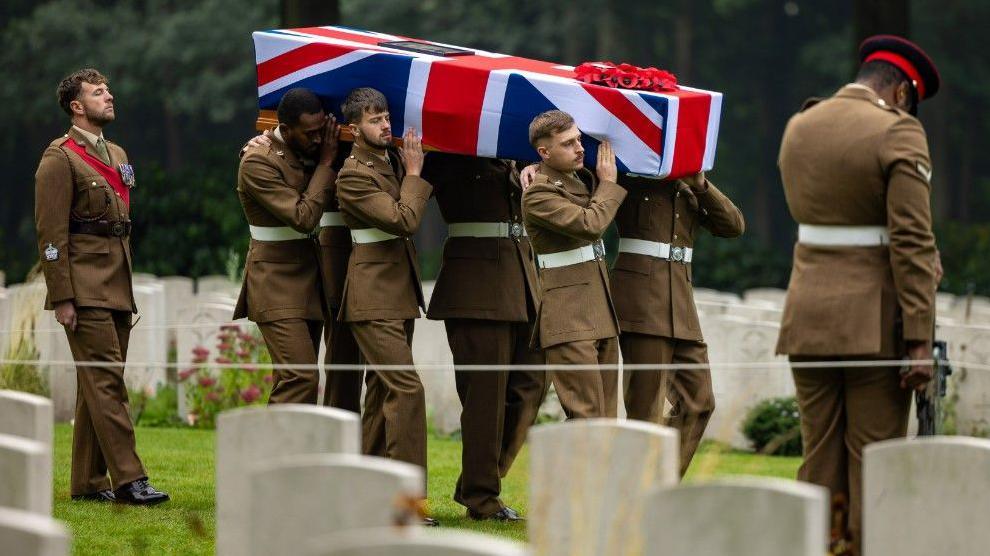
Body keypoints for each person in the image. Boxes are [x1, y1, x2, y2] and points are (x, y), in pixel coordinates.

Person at [776, 35, 942, 551]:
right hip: (874, 324)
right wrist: (919, 339)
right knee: (874, 461)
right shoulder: (899, 132)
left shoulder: (800, 125)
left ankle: (818, 547)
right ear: (898, 93)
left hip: (805, 315)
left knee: (819, 455)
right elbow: (913, 243)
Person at [35, 68, 168, 504]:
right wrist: (62, 297)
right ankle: (130, 479)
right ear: (77, 106)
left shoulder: (117, 152)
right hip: (85, 287)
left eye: (108, 89)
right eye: (98, 92)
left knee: (97, 383)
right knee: (107, 381)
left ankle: (89, 484)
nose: (109, 96)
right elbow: (50, 235)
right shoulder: (60, 158)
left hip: (117, 283)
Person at [423, 153, 547, 521]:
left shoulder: (516, 157)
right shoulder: (450, 156)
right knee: (485, 396)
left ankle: (479, 480)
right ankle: (482, 496)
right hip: (474, 288)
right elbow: (405, 186)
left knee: (533, 383)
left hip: (523, 284)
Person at [334, 87, 437, 525]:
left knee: (381, 395)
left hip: (397, 293)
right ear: (353, 128)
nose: (386, 125)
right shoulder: (352, 175)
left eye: (387, 116)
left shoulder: (390, 160)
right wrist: (414, 172)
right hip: (372, 296)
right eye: (375, 120)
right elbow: (404, 219)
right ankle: (407, 500)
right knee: (406, 389)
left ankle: (366, 493)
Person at [611, 172, 744, 476]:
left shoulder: (692, 186)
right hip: (640, 303)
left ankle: (654, 483)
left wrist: (702, 185)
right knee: (644, 413)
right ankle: (636, 498)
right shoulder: (631, 175)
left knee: (699, 401)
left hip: (680, 304)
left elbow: (733, 225)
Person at [234, 87, 339, 405]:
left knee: (301, 380)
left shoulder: (307, 148)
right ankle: (271, 454)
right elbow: (303, 217)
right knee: (299, 377)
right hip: (275, 280)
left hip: (309, 275)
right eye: (310, 134)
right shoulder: (258, 161)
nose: (319, 139)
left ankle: (295, 455)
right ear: (287, 128)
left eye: (321, 131)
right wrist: (326, 163)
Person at [522, 110, 626, 419]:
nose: (580, 148)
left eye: (579, 139)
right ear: (545, 152)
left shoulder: (581, 179)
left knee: (605, 421)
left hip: (600, 314)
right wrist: (608, 183)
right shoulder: (538, 194)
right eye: (568, 143)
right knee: (587, 420)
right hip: (569, 319)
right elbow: (590, 223)